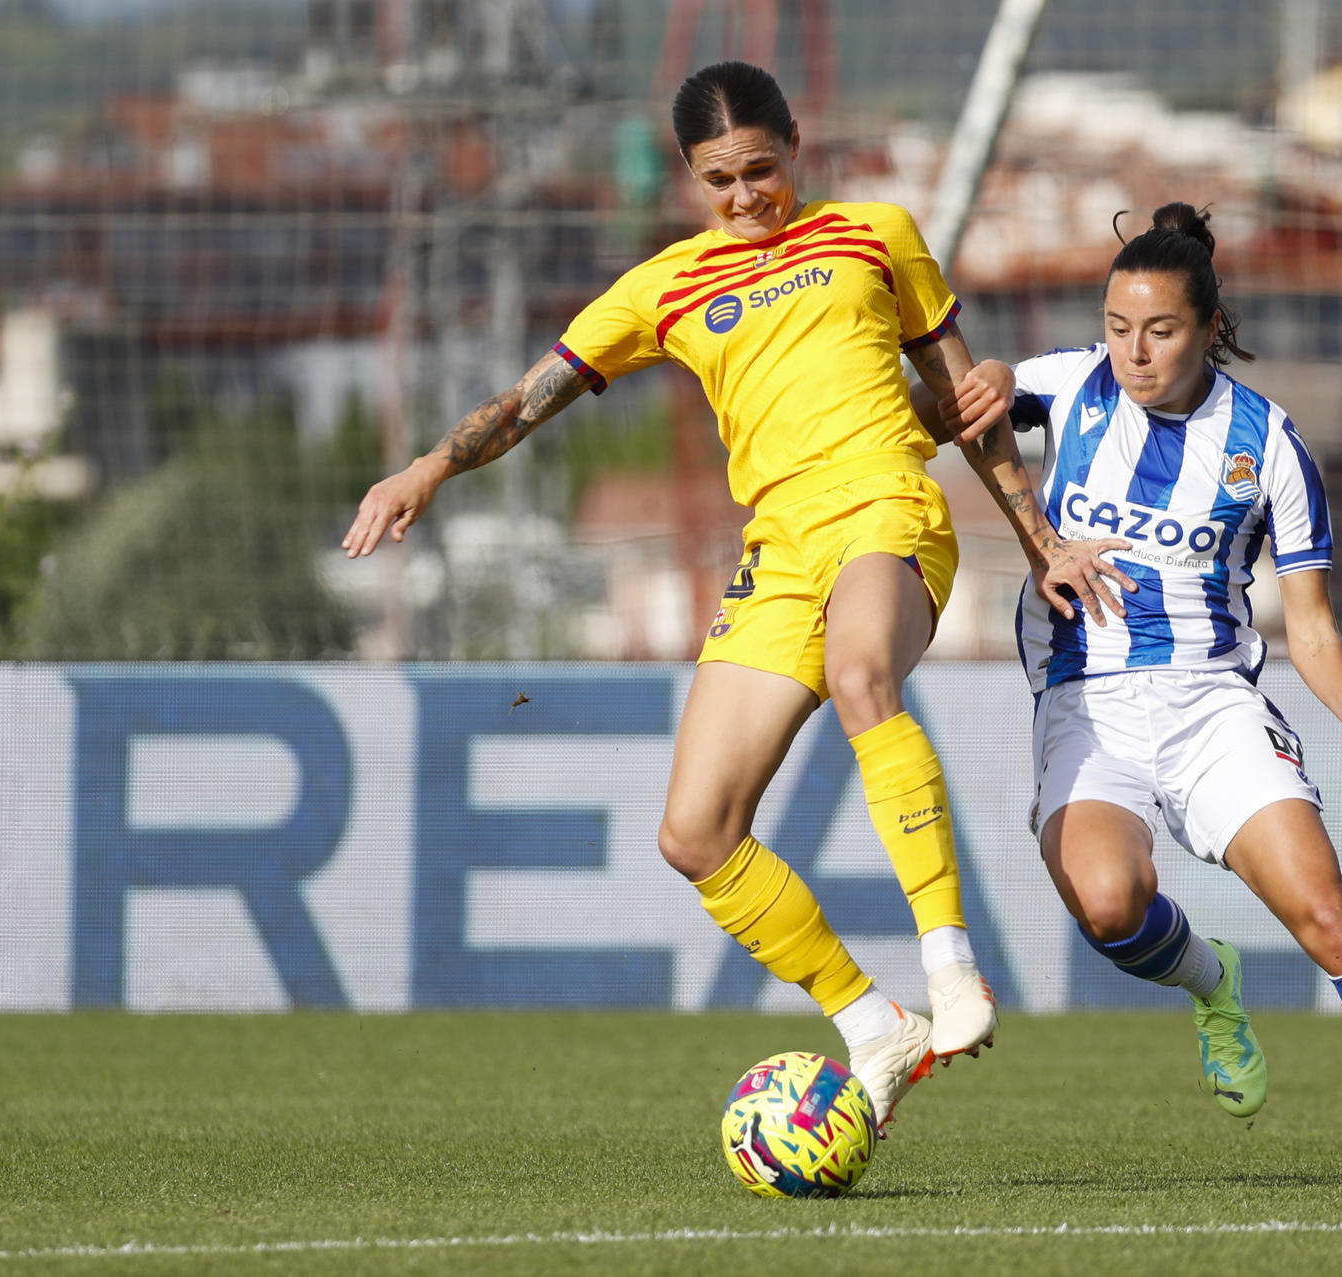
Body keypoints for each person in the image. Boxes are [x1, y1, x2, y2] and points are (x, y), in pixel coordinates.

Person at [344, 61, 1113, 1131]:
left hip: (887, 505)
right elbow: (532, 399)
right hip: (779, 552)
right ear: (690, 179)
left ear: (796, 145)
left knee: (860, 677)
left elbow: (963, 403)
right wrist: (429, 465)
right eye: (720, 180)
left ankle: (951, 973)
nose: (746, 195)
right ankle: (870, 1019)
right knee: (695, 832)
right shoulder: (664, 286)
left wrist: (1039, 539)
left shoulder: (877, 235)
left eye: (761, 169)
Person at [918, 201, 1342, 1189]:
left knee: (1327, 912)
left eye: (1162, 328)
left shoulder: (1268, 443)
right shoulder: (1069, 388)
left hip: (1213, 708)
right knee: (1106, 902)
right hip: (1087, 704)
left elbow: (1306, 618)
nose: (1135, 351)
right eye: (1118, 326)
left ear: (1209, 324)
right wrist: (987, 383)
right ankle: (1211, 980)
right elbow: (955, 410)